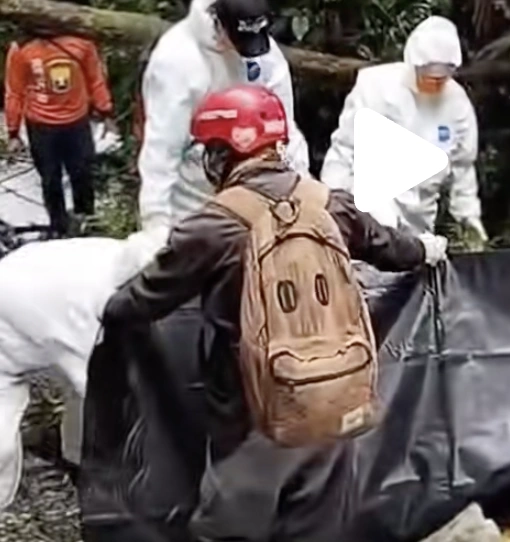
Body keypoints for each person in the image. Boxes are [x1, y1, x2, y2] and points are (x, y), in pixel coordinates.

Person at [102, 84, 447, 472]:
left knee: (234, 516)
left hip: (247, 409)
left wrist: (107, 306)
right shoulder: (329, 203)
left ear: (220, 154)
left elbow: (143, 299)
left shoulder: (211, 227)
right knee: (319, 505)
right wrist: (427, 249)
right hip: (336, 391)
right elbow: (391, 249)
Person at [0, 229, 162, 510]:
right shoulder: (91, 309)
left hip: (37, 289)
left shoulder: (136, 259)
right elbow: (102, 387)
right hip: (21, 319)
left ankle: (77, 458)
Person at [136, 0, 311, 239]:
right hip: (195, 196)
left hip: (258, 191)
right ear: (218, 24)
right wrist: (156, 225)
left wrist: (305, 190)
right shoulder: (176, 60)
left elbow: (285, 127)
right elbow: (161, 151)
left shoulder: (266, 55)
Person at [320, 16, 486, 244]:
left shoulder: (457, 105)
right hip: (367, 214)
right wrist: (333, 209)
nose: (434, 83)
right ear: (413, 64)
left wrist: (470, 220)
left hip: (419, 220)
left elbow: (463, 169)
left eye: (441, 78)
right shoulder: (375, 88)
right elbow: (343, 152)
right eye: (428, 76)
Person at [3, 25, 117, 236]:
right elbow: (14, 91)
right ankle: (59, 227)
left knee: (82, 174)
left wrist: (106, 111)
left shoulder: (81, 42)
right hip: (41, 125)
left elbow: (95, 79)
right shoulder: (22, 48)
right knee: (50, 179)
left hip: (77, 122)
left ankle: (87, 222)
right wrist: (13, 131)